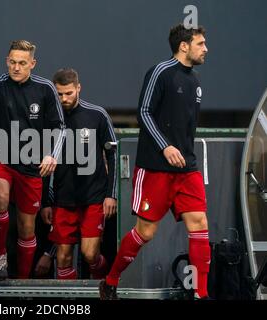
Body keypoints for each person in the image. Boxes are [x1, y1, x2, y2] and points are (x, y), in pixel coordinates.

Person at [99, 24, 210, 300]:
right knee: (145, 232)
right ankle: (110, 281)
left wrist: (182, 152)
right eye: (200, 43)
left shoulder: (195, 80)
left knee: (199, 223)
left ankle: (201, 294)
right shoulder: (160, 72)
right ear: (184, 46)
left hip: (187, 168)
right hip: (155, 168)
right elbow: (144, 113)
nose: (205, 49)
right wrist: (165, 147)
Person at [0, 40, 65, 280]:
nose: (16, 67)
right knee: (1, 197)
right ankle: (0, 258)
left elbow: (60, 126)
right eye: (12, 62)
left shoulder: (45, 89)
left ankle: (22, 282)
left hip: (31, 165)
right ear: (7, 61)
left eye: (22, 63)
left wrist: (51, 154)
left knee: (27, 228)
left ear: (32, 64)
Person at [40, 68, 118, 280]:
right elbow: (45, 162)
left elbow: (113, 155)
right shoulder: (49, 120)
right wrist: (46, 201)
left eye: (69, 93)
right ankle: (71, 302)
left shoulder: (97, 115)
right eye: (59, 94)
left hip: (93, 197)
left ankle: (106, 284)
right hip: (62, 199)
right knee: (63, 258)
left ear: (78, 88)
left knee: (90, 253)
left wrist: (111, 194)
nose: (64, 98)